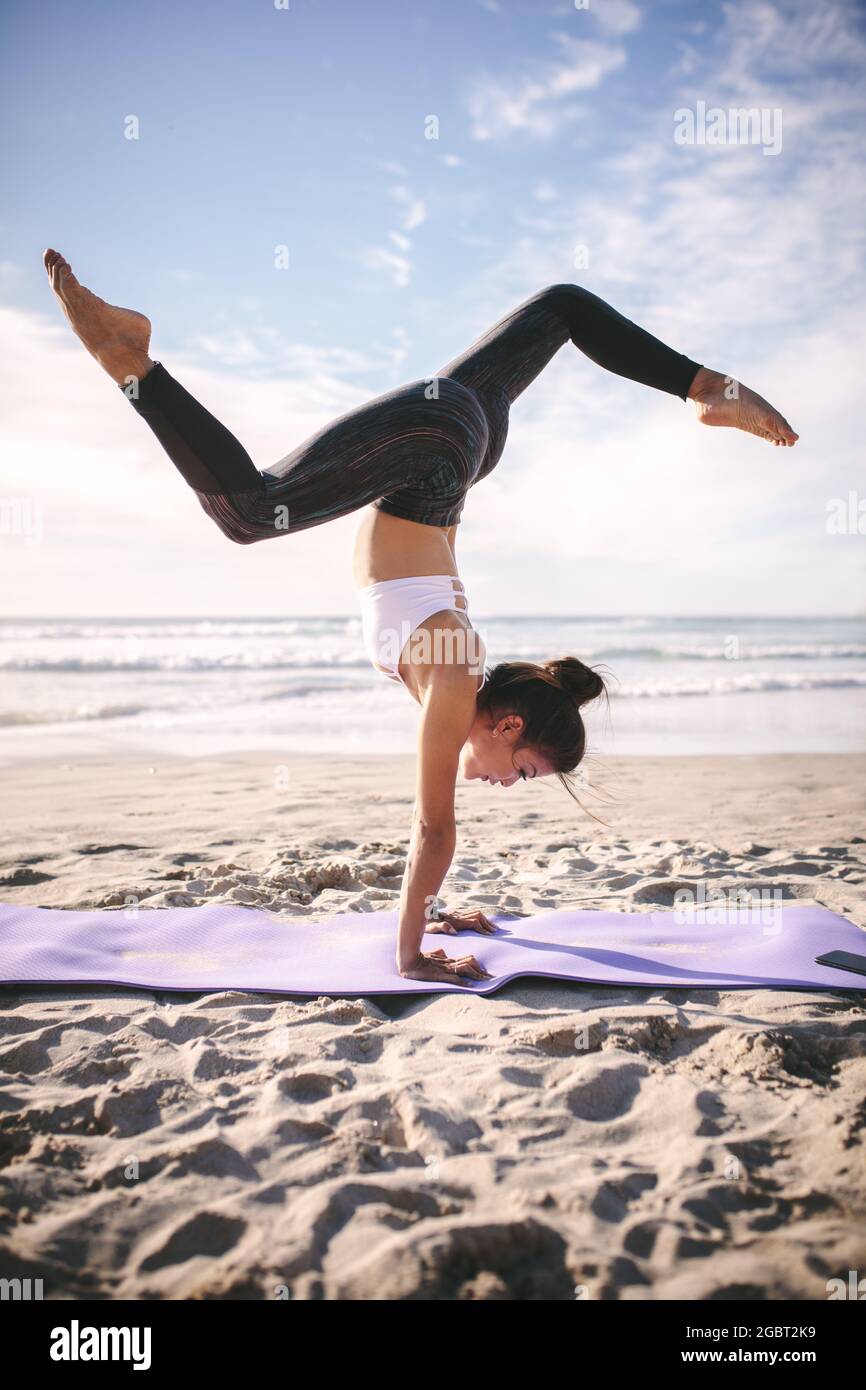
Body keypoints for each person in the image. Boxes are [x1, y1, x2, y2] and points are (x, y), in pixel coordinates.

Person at [42, 249, 798, 985]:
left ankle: (705, 385)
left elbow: (434, 843)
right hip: (435, 452)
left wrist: (434, 912)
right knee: (246, 512)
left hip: (461, 443)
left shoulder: (458, 663)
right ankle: (130, 358)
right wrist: (411, 956)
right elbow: (435, 831)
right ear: (507, 727)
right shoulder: (456, 684)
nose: (510, 785)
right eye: (526, 772)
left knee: (565, 307)